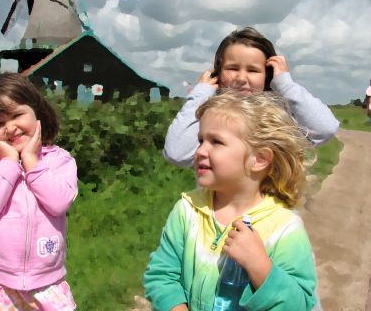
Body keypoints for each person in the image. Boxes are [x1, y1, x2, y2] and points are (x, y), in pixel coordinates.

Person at [144, 91, 318, 311]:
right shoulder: (188, 210)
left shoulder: (284, 228)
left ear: (260, 159)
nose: (200, 151)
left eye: (216, 142)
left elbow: (298, 304)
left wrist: (260, 267)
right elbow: (161, 275)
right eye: (201, 140)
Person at [0, 73, 78, 310]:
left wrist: (31, 162)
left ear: (37, 111)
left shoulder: (59, 160)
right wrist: (8, 163)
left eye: (17, 115)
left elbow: (59, 203)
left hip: (48, 282)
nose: (10, 128)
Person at [164, 27, 339, 167]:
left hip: (270, 210)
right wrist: (200, 94)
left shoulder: (275, 118)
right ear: (218, 71)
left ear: (268, 76)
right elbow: (177, 153)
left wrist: (286, 85)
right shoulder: (210, 117)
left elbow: (325, 129)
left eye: (253, 70)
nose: (241, 78)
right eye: (232, 68)